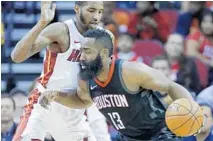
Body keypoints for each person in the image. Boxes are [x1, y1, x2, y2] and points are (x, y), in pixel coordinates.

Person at [40, 29, 201, 141]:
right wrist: (57, 96)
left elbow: (171, 86)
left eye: (87, 51)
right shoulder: (85, 78)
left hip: (158, 134)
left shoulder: (130, 71)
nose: (81, 56)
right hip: (127, 137)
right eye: (81, 51)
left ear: (103, 53)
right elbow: (83, 100)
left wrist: (193, 113)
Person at [11, 1, 111, 141]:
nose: (96, 16)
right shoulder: (61, 30)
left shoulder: (104, 38)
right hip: (44, 102)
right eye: (91, 10)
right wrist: (42, 23)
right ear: (77, 8)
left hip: (73, 105)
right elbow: (16, 57)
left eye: (100, 12)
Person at [186, 11, 213, 86]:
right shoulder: (197, 35)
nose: (208, 25)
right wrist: (208, 62)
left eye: (211, 22)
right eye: (205, 22)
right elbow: (191, 53)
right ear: (200, 23)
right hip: (197, 73)